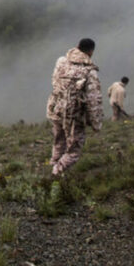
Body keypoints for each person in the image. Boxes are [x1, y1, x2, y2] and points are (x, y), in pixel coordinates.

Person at [46, 38, 103, 177]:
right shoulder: (89, 71)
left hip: (56, 109)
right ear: (91, 52)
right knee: (74, 150)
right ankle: (56, 174)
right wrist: (96, 123)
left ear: (77, 46)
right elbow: (93, 100)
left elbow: (55, 82)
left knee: (59, 140)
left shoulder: (61, 62)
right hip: (74, 115)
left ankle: (54, 164)